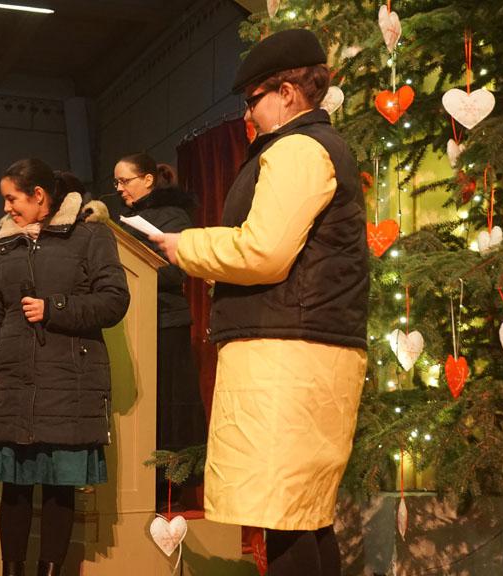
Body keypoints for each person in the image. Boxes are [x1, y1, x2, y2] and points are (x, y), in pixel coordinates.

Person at [148, 29, 368, 576]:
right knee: (303, 515)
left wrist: (185, 246)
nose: (248, 114)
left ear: (287, 93)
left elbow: (264, 251)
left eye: (253, 100)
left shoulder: (298, 150)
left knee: (284, 514)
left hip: (288, 354)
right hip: (300, 349)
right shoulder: (310, 147)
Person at [0, 159, 130, 576]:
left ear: (39, 195)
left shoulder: (90, 234)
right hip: (14, 378)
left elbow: (114, 300)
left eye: (12, 198)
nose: (6, 208)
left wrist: (55, 308)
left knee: (60, 487)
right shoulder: (8, 243)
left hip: (68, 381)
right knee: (15, 487)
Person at [114, 154, 207, 493]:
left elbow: (178, 270)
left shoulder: (173, 215)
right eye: (116, 182)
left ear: (148, 179)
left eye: (125, 181)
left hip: (165, 323)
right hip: (130, 321)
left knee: (168, 407)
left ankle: (169, 486)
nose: (119, 188)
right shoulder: (124, 220)